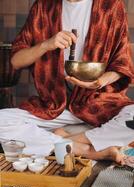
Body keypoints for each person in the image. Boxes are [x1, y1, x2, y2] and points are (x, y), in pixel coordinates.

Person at [1, 0, 134, 163]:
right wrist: (46, 44)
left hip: (99, 103)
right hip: (54, 105)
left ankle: (65, 136)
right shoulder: (43, 7)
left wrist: (99, 82)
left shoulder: (110, 5)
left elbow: (122, 63)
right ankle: (84, 149)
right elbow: (16, 61)